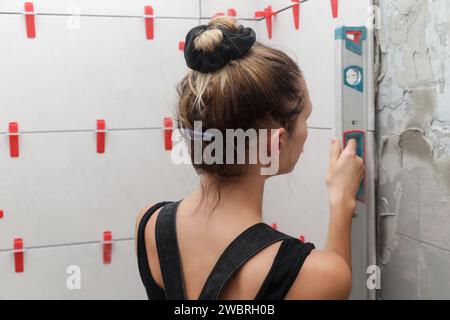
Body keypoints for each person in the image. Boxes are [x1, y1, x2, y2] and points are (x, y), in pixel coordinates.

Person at [135, 16, 364, 300]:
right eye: (306, 117)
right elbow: (334, 280)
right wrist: (341, 204)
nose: (307, 131)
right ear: (275, 144)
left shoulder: (150, 225)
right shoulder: (314, 274)